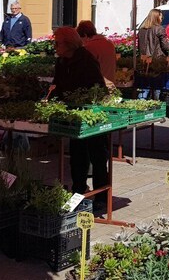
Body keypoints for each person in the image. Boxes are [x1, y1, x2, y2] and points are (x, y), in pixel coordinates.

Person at [51, 27, 108, 213]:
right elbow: (57, 85)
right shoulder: (61, 61)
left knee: (97, 156)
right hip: (73, 115)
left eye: (57, 42)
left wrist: (82, 100)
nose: (54, 46)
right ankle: (78, 190)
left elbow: (98, 88)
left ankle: (101, 197)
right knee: (77, 157)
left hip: (92, 115)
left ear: (68, 44)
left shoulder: (86, 59)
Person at [76, 20, 117, 85]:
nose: (82, 42)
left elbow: (86, 70)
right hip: (111, 84)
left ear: (85, 35)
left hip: (97, 87)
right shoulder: (109, 44)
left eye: (81, 38)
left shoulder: (89, 47)